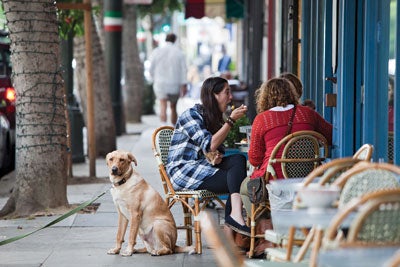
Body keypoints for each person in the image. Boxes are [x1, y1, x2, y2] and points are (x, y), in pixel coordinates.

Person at [166, 76, 250, 235]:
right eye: (227, 92)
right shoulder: (190, 115)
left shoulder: (212, 118)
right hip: (184, 172)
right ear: (214, 95)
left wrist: (215, 158)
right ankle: (233, 225)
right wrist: (230, 121)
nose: (230, 97)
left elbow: (213, 151)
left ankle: (234, 219)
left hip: (201, 167)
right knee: (237, 180)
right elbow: (209, 144)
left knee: (238, 160)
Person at [240, 77, 333, 216]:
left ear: (264, 97)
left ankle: (261, 227)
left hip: (275, 178)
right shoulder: (307, 113)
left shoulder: (262, 119)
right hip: (308, 177)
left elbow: (255, 159)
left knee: (244, 188)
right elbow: (331, 135)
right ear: (291, 93)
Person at [149, 33, 187, 125]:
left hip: (160, 83)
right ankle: (173, 128)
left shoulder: (157, 51)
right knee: (173, 107)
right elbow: (183, 70)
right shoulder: (179, 52)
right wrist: (184, 85)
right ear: (175, 40)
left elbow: (151, 68)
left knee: (162, 105)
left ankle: (163, 128)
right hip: (174, 83)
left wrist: (154, 78)